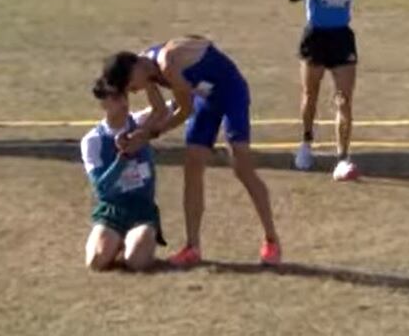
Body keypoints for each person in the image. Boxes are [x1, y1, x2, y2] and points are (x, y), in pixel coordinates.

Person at [102, 36, 280, 267]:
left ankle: (271, 240)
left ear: (134, 69)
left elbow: (184, 111)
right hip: (205, 98)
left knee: (242, 167)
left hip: (230, 92)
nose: (134, 92)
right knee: (192, 165)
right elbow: (158, 111)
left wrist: (149, 134)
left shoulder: (167, 63)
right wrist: (138, 134)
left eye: (130, 86)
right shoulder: (146, 71)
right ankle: (192, 247)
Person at [289, 0, 366, 180]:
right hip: (316, 36)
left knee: (344, 98)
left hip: (342, 37)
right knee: (310, 94)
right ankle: (306, 143)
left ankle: (343, 157)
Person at [80, 71, 164, 272]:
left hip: (142, 208)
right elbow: (102, 189)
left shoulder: (142, 122)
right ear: (104, 103)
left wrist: (149, 79)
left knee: (137, 263)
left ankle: (136, 241)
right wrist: (122, 158)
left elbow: (170, 107)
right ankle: (116, 241)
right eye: (116, 97)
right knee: (96, 262)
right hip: (113, 209)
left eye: (124, 95)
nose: (124, 102)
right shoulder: (93, 141)